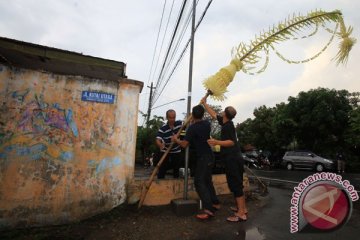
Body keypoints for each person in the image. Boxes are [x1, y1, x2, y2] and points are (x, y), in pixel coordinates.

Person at [201, 97, 248, 222]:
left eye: (223, 111)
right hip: (235, 158)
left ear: (226, 115)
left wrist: (216, 142)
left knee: (236, 185)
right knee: (237, 184)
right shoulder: (226, 122)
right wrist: (205, 103)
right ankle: (242, 207)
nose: (221, 113)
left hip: (232, 159)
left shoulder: (228, 127)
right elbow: (214, 115)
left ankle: (241, 213)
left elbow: (231, 142)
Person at [172, 105, 220, 219]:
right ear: (203, 115)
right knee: (208, 181)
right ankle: (215, 203)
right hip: (210, 156)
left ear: (192, 115)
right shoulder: (207, 124)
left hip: (203, 158)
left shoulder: (192, 128)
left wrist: (176, 140)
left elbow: (184, 144)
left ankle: (208, 210)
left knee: (199, 182)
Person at [155, 109, 182, 179]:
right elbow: (158, 139)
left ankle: (176, 183)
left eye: (174, 117)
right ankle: (160, 182)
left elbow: (187, 124)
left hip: (176, 150)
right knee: (162, 169)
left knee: (176, 169)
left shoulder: (179, 124)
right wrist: (160, 145)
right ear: (167, 118)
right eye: (170, 117)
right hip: (165, 150)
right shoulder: (163, 128)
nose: (172, 119)